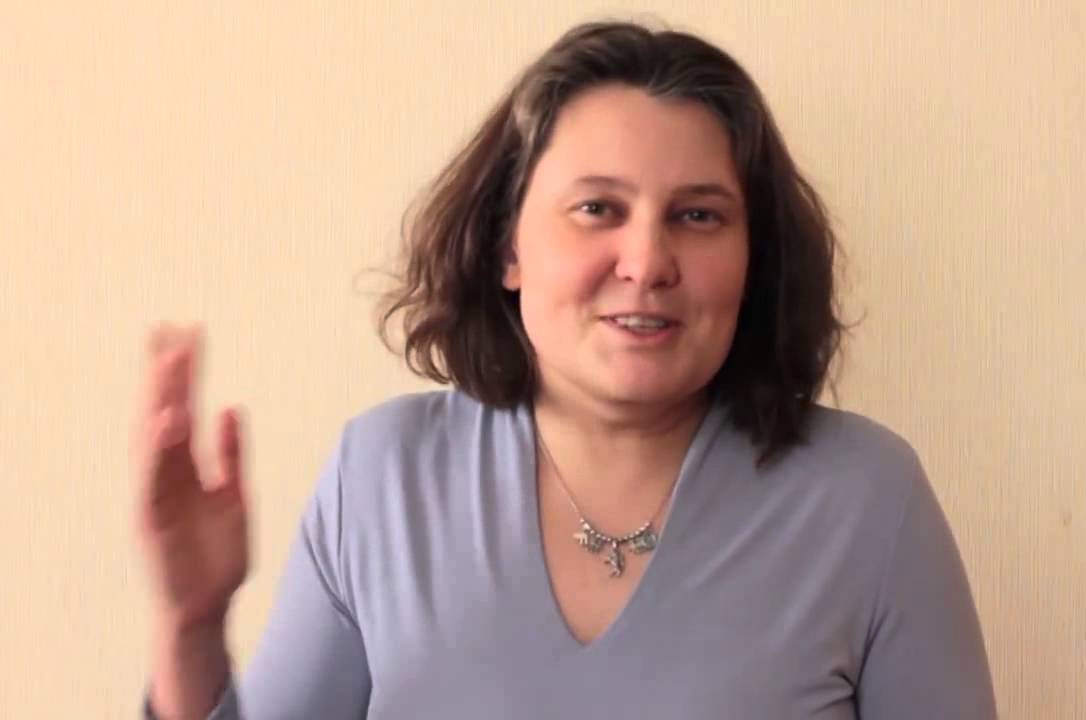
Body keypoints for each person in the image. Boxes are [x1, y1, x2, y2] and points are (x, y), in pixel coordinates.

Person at [134, 20, 997, 720]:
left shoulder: (867, 502)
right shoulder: (382, 481)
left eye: (698, 216)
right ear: (508, 246)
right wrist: (189, 624)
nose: (647, 261)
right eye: (597, 209)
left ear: (754, 258)